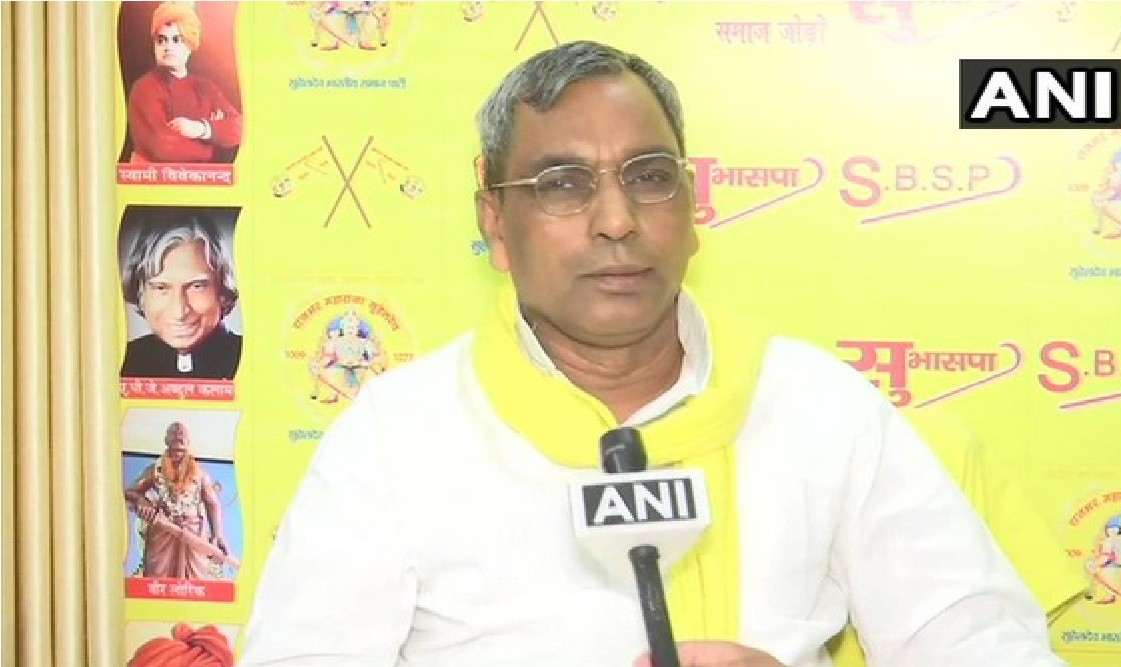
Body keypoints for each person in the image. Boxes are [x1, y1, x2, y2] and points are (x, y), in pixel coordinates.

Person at [240, 41, 1067, 666]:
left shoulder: (821, 407)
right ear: (495, 218)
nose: (616, 220)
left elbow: (984, 647)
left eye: (648, 176)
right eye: (562, 184)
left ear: (691, 201)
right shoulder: (397, 437)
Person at [120, 210, 242, 380]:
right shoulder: (124, 359)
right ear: (140, 294)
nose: (180, 312)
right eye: (161, 288)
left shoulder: (254, 356)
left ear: (222, 291)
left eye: (196, 286)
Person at [126, 2, 243, 163]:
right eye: (161, 40)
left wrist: (201, 129)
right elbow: (164, 147)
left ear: (190, 45)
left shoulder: (205, 88)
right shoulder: (144, 89)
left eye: (176, 40)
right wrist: (211, 145)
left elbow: (240, 128)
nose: (167, 47)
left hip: (199, 177)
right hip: (154, 177)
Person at [124, 422, 232, 580]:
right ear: (166, 440)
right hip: (162, 532)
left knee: (195, 581)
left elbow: (212, 503)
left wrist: (218, 535)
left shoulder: (200, 474)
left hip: (193, 534)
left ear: (188, 442)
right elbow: (130, 492)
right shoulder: (154, 471)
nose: (178, 435)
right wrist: (142, 501)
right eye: (173, 433)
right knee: (158, 579)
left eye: (182, 434)